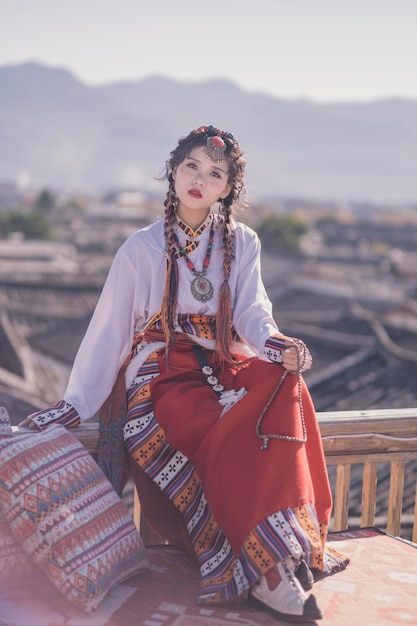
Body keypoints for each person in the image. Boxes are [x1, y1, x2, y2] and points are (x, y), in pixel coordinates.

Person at [20, 125, 348, 623]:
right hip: (161, 370)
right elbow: (108, 332)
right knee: (208, 419)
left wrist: (276, 345)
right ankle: (267, 567)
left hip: (224, 359)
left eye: (215, 173)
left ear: (227, 189)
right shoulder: (141, 248)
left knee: (283, 385)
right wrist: (76, 402)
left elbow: (251, 313)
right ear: (173, 171)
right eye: (191, 166)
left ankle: (281, 547)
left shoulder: (243, 242)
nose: (200, 178)